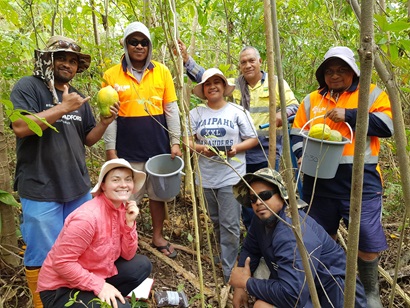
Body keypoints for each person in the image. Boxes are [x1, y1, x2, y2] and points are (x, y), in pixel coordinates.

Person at [10, 35, 119, 307]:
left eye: (73, 61)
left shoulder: (78, 96)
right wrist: (62, 107)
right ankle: (42, 303)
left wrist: (105, 122)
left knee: (79, 251)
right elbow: (21, 127)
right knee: (43, 254)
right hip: (40, 188)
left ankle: (75, 300)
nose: (67, 64)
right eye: (61, 58)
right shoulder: (28, 86)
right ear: (47, 60)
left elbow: (88, 138)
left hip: (76, 188)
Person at [290, 46, 394, 308]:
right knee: (322, 238)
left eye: (341, 70)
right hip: (319, 185)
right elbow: (296, 132)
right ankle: (331, 287)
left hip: (361, 183)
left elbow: (387, 126)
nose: (334, 75)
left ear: (354, 72)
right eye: (329, 71)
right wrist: (301, 154)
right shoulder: (311, 100)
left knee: (368, 241)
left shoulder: (369, 94)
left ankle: (370, 292)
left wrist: (349, 115)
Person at [177, 40, 299, 228]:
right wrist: (186, 58)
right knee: (246, 197)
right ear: (240, 66)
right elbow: (207, 79)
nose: (248, 65)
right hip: (240, 153)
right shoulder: (234, 85)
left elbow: (294, 106)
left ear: (260, 61)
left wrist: (281, 115)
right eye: (243, 62)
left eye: (251, 60)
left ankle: (272, 234)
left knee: (267, 195)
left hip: (268, 150)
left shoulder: (276, 82)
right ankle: (251, 237)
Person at [230, 168, 367, 307]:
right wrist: (240, 288)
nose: (258, 202)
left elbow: (292, 296)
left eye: (265, 195)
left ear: (281, 195)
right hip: (303, 289)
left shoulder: (291, 232)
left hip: (332, 298)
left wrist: (246, 282)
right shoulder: (261, 219)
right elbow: (250, 249)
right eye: (252, 199)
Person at [102, 22, 182, 259]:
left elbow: (171, 109)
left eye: (143, 42)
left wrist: (175, 142)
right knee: (126, 199)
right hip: (127, 152)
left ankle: (157, 236)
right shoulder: (111, 75)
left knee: (158, 197)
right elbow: (110, 117)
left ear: (149, 46)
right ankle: (126, 242)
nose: (139, 46)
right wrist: (110, 150)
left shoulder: (162, 72)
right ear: (125, 45)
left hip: (157, 150)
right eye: (133, 41)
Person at [37, 158, 152, 308]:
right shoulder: (87, 218)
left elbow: (128, 255)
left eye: (128, 180)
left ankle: (109, 298)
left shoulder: (121, 209)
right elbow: (62, 262)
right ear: (103, 185)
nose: (123, 185)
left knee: (141, 265)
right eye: (116, 180)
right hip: (60, 289)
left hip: (93, 274)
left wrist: (129, 224)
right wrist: (100, 286)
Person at [186, 68, 258, 283]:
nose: (213, 87)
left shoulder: (237, 111)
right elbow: (187, 141)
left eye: (217, 82)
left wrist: (236, 148)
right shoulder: (196, 113)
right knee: (216, 219)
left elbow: (252, 139)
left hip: (231, 175)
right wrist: (201, 148)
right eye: (208, 84)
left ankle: (229, 270)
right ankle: (223, 253)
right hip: (206, 176)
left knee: (230, 223)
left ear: (224, 88)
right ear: (204, 89)